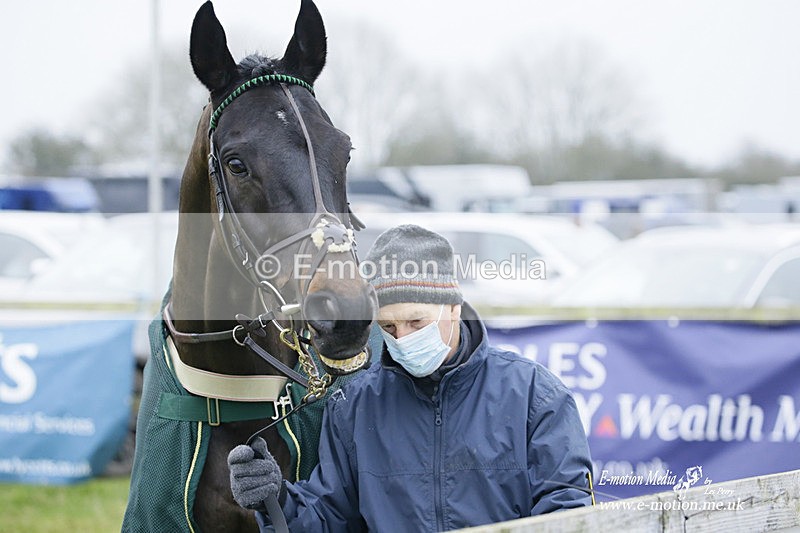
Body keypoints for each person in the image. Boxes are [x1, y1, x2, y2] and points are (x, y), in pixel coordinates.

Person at [228, 224, 593, 531]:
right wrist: (276, 501)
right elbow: (330, 517)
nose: (402, 338)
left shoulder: (535, 397)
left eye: (416, 321)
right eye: (388, 326)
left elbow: (569, 512)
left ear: (453, 308)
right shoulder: (355, 407)